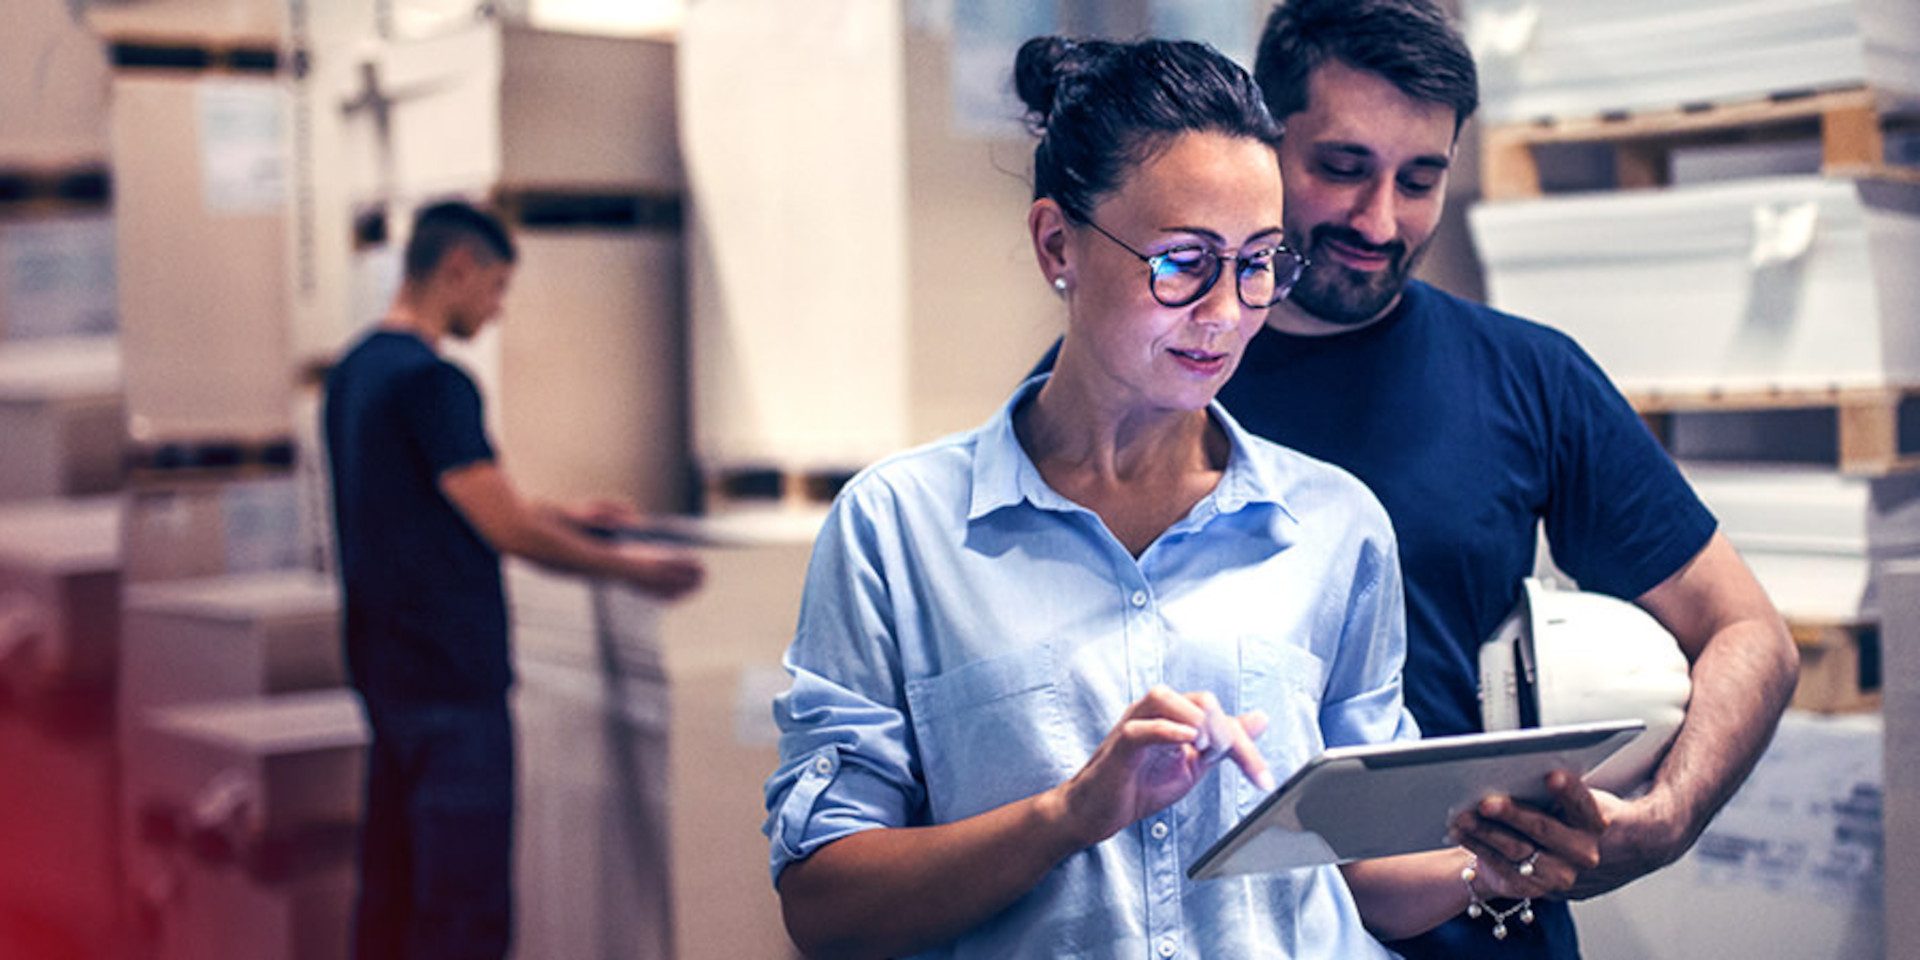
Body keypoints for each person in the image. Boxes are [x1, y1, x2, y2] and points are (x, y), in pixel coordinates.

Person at [763, 37, 1602, 960]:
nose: (1227, 313)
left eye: (1258, 262)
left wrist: (1495, 861)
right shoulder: (899, 530)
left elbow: (1360, 871)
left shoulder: (1335, 526)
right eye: (1183, 261)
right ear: (1057, 244)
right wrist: (1068, 814)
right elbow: (825, 905)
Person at [1241, 2, 1800, 955]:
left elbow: (1749, 634)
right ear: (1265, 141)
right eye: (1342, 168)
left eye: (1420, 180)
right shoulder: (1159, 377)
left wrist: (1667, 818)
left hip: (1487, 933)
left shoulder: (1526, 375)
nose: (1380, 220)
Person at [323, 200, 704, 959]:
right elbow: (504, 528)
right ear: (457, 267)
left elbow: (436, 502)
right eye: (496, 287)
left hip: (387, 677)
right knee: (463, 913)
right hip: (451, 683)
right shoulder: (435, 383)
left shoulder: (356, 371)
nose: (497, 310)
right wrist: (631, 570)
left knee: (393, 897)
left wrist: (565, 514)